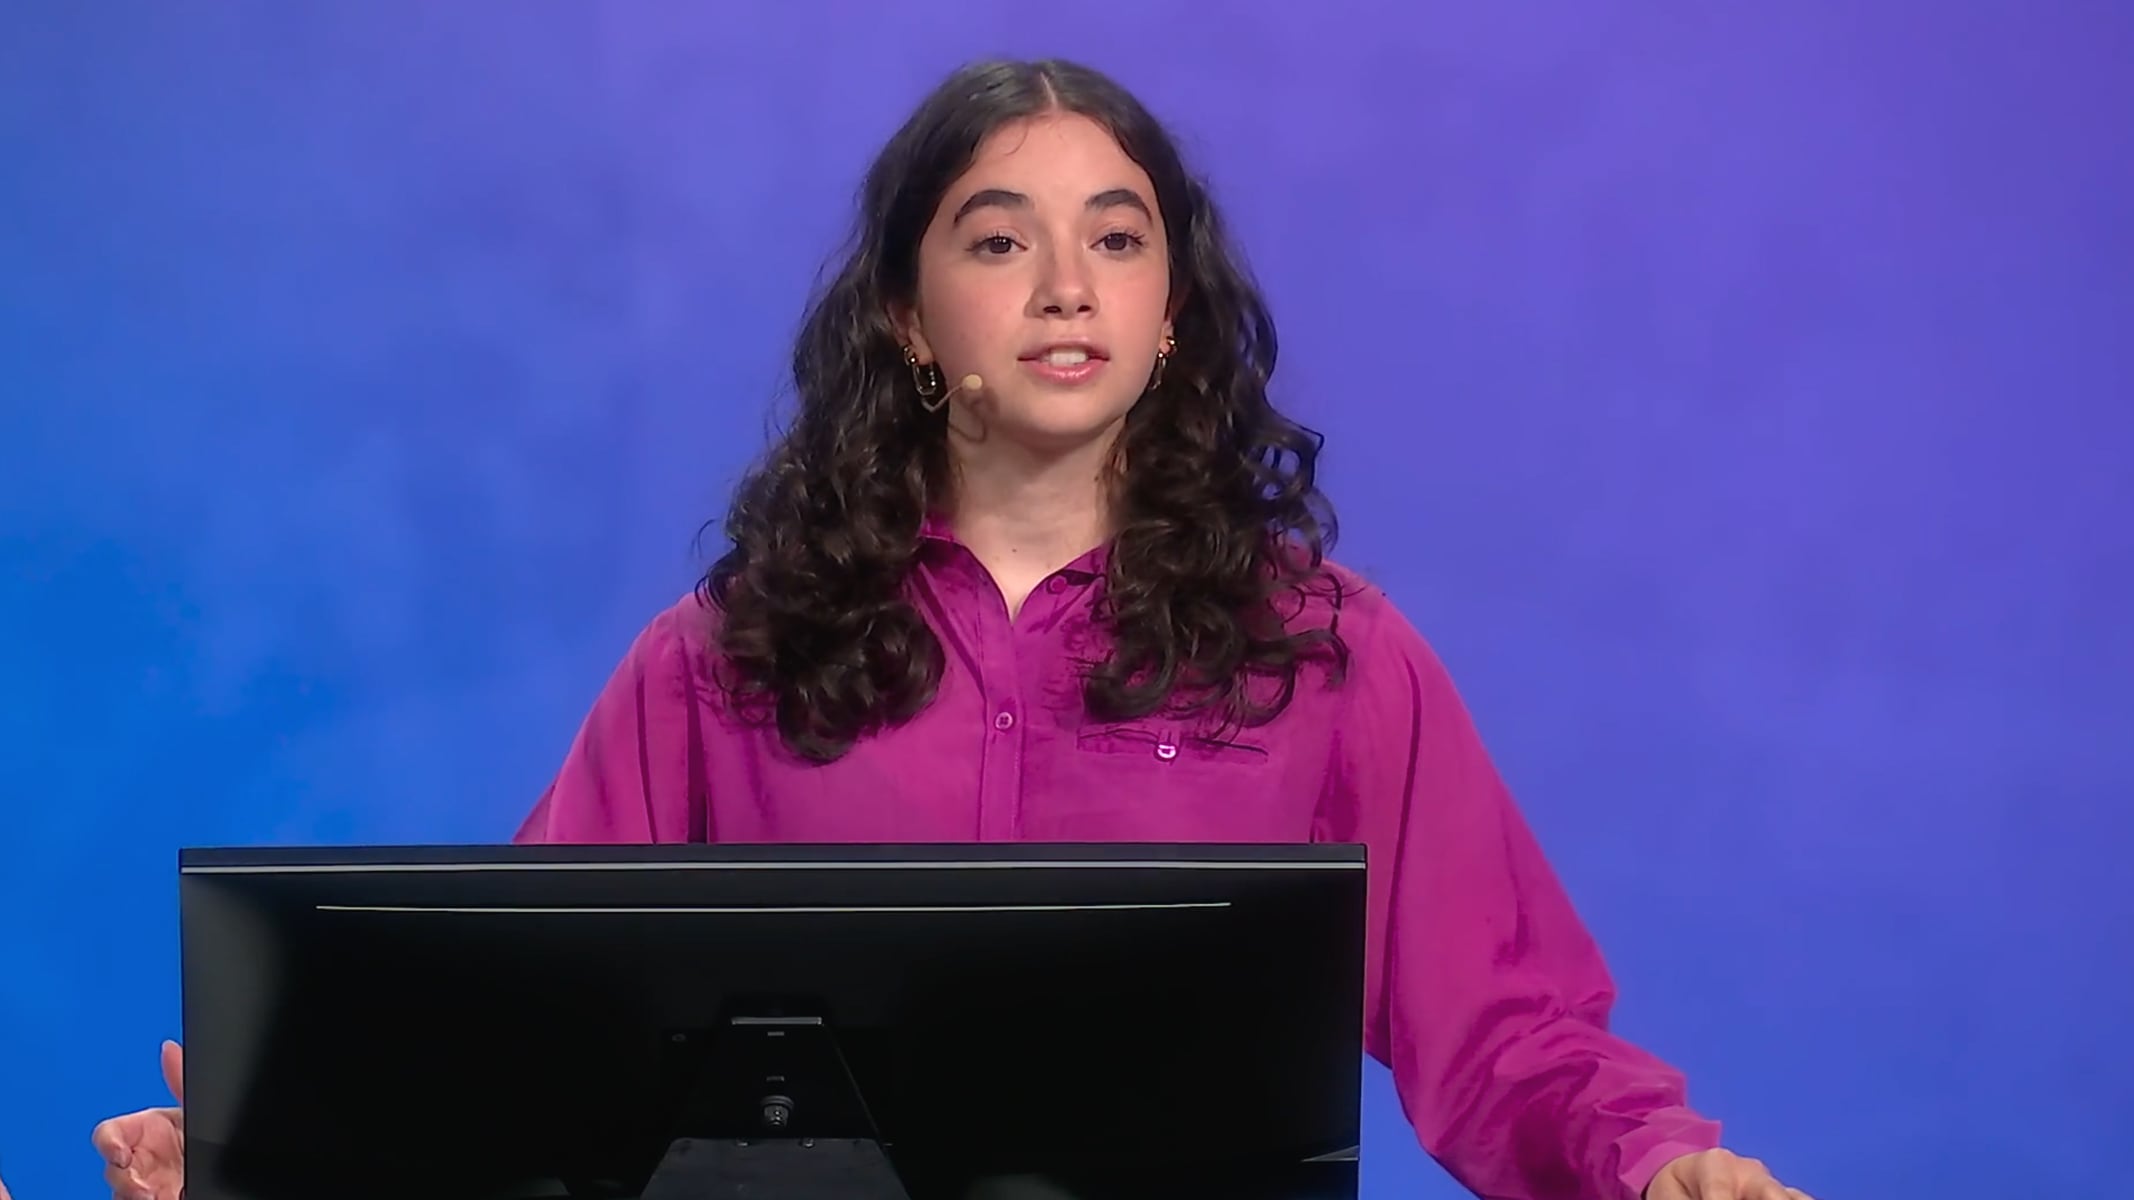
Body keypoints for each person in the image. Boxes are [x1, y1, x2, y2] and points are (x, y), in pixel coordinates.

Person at [89, 58, 1813, 1200]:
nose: (1068, 283)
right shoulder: (721, 656)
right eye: (1002, 240)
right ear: (911, 320)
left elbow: (1504, 1028)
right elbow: (527, 1041)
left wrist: (1654, 1167)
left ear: (1169, 317)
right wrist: (277, 1154)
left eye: (1116, 239)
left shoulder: (1328, 654)